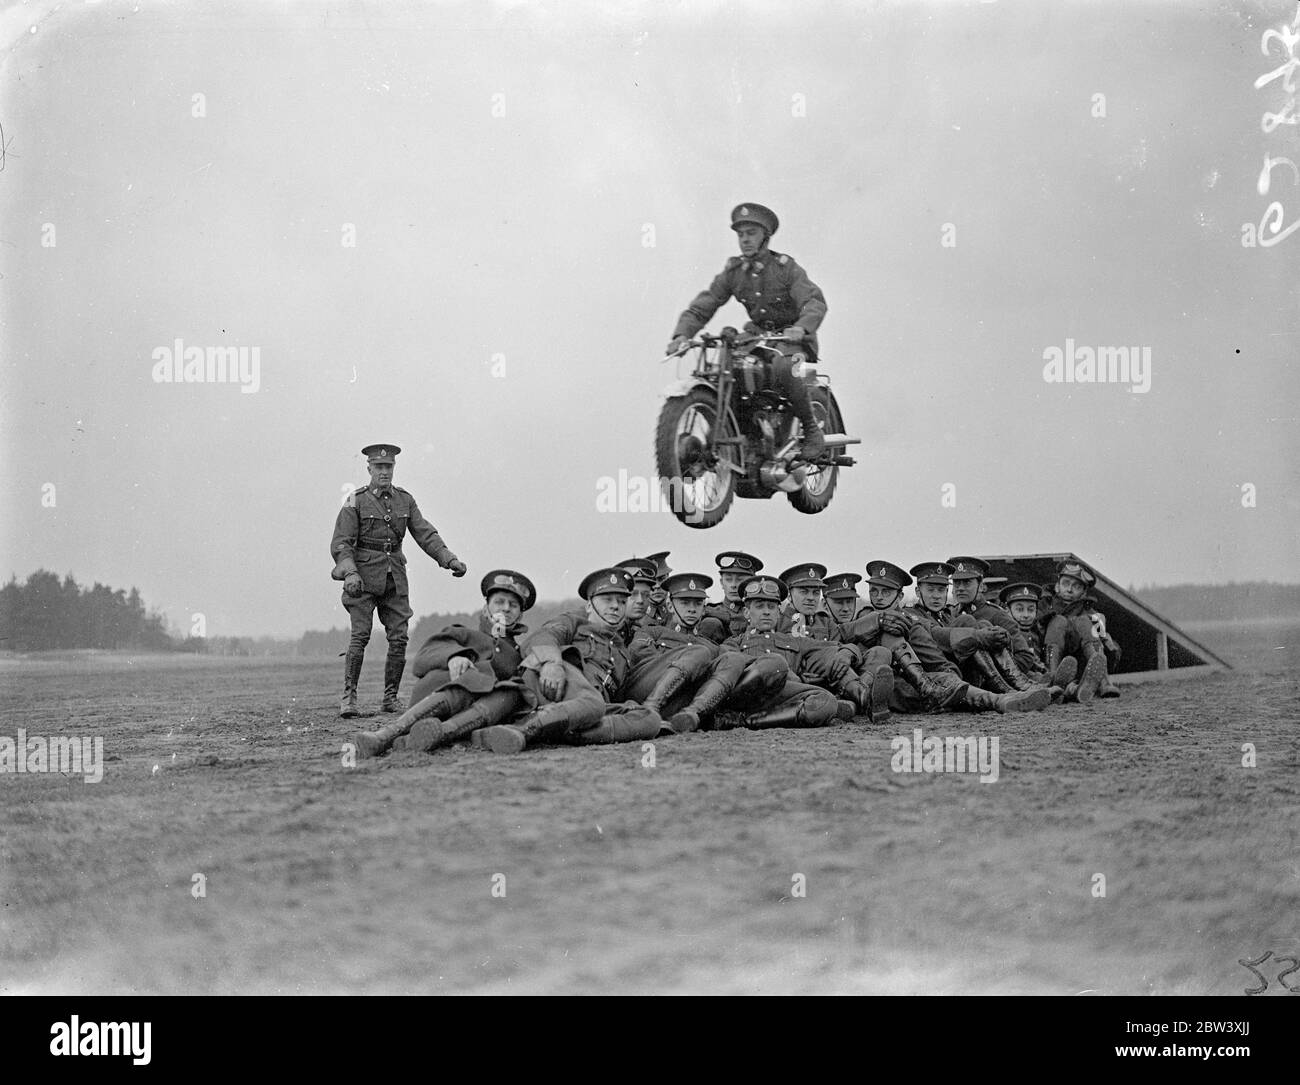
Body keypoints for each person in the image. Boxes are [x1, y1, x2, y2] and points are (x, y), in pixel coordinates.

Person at [666, 203, 829, 458]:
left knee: (784, 367)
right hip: (757, 337)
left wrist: (801, 327)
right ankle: (735, 435)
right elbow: (704, 305)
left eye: (751, 233)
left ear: (765, 236)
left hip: (790, 339)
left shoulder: (785, 268)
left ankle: (811, 431)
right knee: (728, 368)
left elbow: (814, 302)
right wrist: (682, 335)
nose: (745, 240)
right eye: (740, 234)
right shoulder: (734, 272)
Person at [330, 444, 467, 717]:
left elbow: (424, 532)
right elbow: (341, 544)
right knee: (360, 636)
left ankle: (390, 699)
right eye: (379, 467)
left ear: (393, 468)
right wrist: (350, 572)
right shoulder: (355, 501)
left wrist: (448, 558)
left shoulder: (405, 500)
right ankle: (349, 698)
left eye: (388, 467)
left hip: (395, 576)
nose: (384, 472)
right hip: (362, 578)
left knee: (399, 638)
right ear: (368, 468)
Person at [474, 568, 662, 754]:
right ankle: (522, 730)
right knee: (592, 702)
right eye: (607, 600)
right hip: (557, 688)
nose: (615, 606)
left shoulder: (623, 652)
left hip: (589, 708)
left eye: (622, 602)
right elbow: (544, 635)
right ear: (589, 606)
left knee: (650, 719)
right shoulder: (574, 623)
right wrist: (552, 663)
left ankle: (560, 733)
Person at [351, 569, 536, 757]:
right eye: (499, 602)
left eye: (513, 605)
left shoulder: (518, 655)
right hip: (439, 699)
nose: (505, 608)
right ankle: (384, 736)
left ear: (520, 615)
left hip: (474, 717)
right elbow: (426, 655)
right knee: (468, 681)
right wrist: (454, 657)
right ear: (486, 608)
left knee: (512, 692)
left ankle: (421, 739)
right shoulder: (463, 634)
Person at [625, 573, 786, 735]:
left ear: (704, 608)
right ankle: (650, 708)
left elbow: (747, 665)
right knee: (700, 653)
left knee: (734, 658)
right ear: (670, 605)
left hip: (681, 702)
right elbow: (639, 656)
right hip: (644, 689)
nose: (691, 609)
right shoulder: (652, 632)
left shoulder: (711, 646)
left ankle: (691, 714)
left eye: (698, 603)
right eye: (684, 602)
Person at [903, 562, 1050, 713]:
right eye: (930, 590)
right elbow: (938, 635)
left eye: (941, 590)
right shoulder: (911, 615)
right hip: (938, 677)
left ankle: (1011, 686)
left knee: (981, 623)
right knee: (968, 622)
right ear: (917, 591)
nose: (936, 596)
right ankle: (1007, 688)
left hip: (962, 674)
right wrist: (979, 636)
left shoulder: (946, 616)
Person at [715, 575, 845, 729]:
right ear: (747, 613)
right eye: (759, 606)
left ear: (778, 612)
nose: (766, 612)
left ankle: (744, 721)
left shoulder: (795, 640)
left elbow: (837, 648)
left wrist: (848, 653)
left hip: (783, 697)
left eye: (771, 607)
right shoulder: (734, 643)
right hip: (749, 697)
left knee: (826, 702)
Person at [947, 556, 1045, 692]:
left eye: (967, 583)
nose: (961, 588)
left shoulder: (996, 615)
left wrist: (994, 672)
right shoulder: (949, 614)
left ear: (981, 586)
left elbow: (1025, 657)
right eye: (957, 583)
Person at [1041, 560, 1112, 704]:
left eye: (1076, 586)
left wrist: (1104, 635)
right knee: (1058, 621)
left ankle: (1103, 681)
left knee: (1085, 621)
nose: (1069, 589)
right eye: (1065, 583)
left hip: (1082, 667)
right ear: (1057, 586)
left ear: (1084, 592)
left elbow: (1113, 651)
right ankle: (1055, 682)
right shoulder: (1044, 606)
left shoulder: (1092, 614)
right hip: (1049, 664)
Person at [998, 581, 1079, 698]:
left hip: (1034, 676)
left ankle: (1071, 689)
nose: (1026, 615)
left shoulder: (1035, 633)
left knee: (1045, 677)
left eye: (1030, 610)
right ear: (1007, 611)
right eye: (1019, 610)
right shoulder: (1006, 633)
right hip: (1017, 677)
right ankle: (1066, 689)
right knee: (1040, 677)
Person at [699, 550, 764, 642]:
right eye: (729, 580)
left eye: (740, 580)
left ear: (752, 583)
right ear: (721, 583)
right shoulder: (708, 613)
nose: (733, 585)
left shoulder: (765, 614)